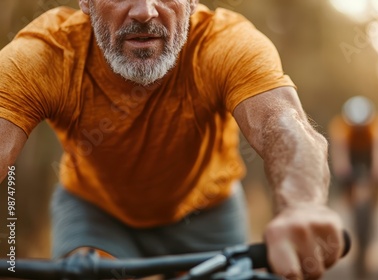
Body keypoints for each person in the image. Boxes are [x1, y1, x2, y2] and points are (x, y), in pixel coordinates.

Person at [0, 0, 347, 279]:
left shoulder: (224, 43)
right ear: (86, 2)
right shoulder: (47, 54)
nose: (144, 11)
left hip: (208, 211)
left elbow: (282, 124)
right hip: (96, 212)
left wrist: (301, 205)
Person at [328, 96, 378, 277]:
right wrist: (343, 171)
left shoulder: (377, 125)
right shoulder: (341, 126)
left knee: (373, 200)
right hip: (352, 161)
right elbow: (339, 151)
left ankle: (369, 227)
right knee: (349, 195)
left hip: (369, 159)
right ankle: (354, 215)